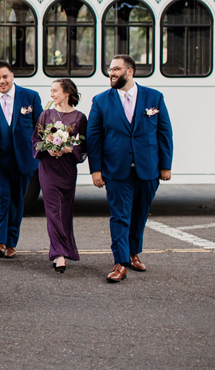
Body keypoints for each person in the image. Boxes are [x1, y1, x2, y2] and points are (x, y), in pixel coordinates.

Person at [86, 54, 173, 283]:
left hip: (148, 169)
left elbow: (164, 133)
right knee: (120, 217)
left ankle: (134, 254)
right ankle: (120, 263)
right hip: (116, 171)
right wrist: (96, 169)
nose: (111, 73)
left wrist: (165, 166)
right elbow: (94, 137)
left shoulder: (154, 97)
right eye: (110, 70)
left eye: (116, 69)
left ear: (130, 71)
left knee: (139, 215)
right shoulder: (100, 101)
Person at [0, 60, 43, 258]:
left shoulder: (30, 96)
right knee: (1, 197)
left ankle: (11, 243)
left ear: (12, 76)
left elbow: (39, 125)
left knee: (16, 200)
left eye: (5, 76)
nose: (2, 81)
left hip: (22, 160)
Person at [31, 79, 87, 274]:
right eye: (51, 91)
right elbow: (35, 141)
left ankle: (64, 249)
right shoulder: (45, 115)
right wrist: (47, 147)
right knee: (53, 210)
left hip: (67, 170)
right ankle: (59, 254)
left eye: (55, 91)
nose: (52, 94)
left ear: (67, 93)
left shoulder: (80, 117)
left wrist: (68, 149)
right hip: (48, 168)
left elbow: (84, 146)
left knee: (65, 211)